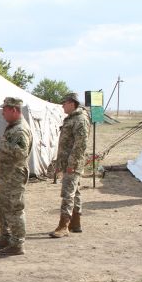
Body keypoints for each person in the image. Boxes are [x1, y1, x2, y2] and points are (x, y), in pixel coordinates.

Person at [0, 97, 33, 256]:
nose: (2, 113)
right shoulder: (13, 127)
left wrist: (3, 144)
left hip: (14, 176)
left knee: (14, 210)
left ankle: (17, 244)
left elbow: (21, 153)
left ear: (14, 110)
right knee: (0, 209)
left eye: (5, 110)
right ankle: (6, 237)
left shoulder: (20, 129)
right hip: (7, 176)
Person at [50, 92, 90, 238]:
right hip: (68, 162)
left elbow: (80, 145)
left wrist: (71, 164)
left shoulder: (80, 120)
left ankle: (63, 225)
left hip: (72, 164)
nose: (62, 105)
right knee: (75, 192)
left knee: (67, 193)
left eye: (64, 102)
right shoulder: (72, 118)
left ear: (72, 103)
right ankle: (76, 223)